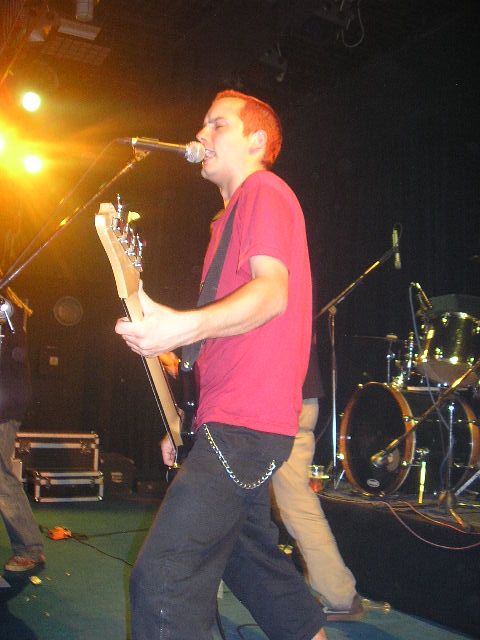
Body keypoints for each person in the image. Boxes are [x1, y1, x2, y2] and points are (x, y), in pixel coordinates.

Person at [115, 90, 327, 639]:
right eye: (202, 124)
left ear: (256, 140)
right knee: (254, 569)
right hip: (231, 420)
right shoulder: (226, 220)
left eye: (217, 125)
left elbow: (271, 295)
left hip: (246, 423)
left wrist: (183, 326)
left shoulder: (264, 190)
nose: (201, 135)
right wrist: (186, 422)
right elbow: (225, 342)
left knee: (163, 581)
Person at [271, 335, 364, 622]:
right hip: (295, 393)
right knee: (295, 503)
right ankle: (341, 595)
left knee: (224, 494)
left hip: (274, 396)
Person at [0, 284, 45, 572]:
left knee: (0, 477)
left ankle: (29, 548)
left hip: (4, 407)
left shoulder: (7, 311)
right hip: (7, 403)